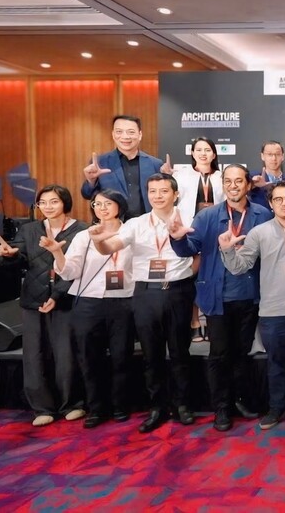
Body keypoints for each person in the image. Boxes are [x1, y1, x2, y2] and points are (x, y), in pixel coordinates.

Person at [89, 173, 196, 433]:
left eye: (163, 191)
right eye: (153, 191)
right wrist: (98, 240)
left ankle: (182, 405)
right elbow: (110, 247)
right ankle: (157, 407)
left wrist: (183, 276)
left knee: (180, 352)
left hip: (178, 292)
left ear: (175, 194)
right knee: (151, 354)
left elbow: (199, 254)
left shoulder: (190, 219)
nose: (157, 196)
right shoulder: (136, 224)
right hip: (146, 294)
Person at [169, 164, 273, 431]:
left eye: (239, 181)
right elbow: (189, 248)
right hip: (218, 297)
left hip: (250, 296)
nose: (233, 186)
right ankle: (221, 407)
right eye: (228, 181)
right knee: (219, 354)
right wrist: (177, 239)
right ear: (223, 184)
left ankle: (239, 400)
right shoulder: (207, 216)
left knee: (242, 352)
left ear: (248, 185)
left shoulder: (262, 214)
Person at [220, 180, 285, 430]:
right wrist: (227, 251)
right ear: (270, 204)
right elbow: (240, 267)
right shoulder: (260, 233)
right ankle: (276, 408)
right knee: (275, 364)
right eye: (278, 199)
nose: (284, 203)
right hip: (273, 312)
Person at [0, 185, 86, 426]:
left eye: (53, 201)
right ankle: (42, 408)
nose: (47, 206)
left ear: (65, 202)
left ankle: (72, 404)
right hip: (33, 299)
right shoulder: (29, 229)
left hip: (66, 299)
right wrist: (8, 255)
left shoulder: (81, 230)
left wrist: (57, 295)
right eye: (42, 202)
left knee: (66, 353)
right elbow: (20, 259)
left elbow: (80, 269)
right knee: (34, 355)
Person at [48, 189, 133, 428]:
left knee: (121, 356)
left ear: (120, 206)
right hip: (88, 301)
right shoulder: (84, 236)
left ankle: (120, 406)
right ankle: (96, 408)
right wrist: (57, 253)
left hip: (123, 301)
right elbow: (70, 271)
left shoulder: (131, 231)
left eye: (108, 203)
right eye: (97, 204)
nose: (102, 208)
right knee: (89, 357)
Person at [172, 136, 225, 343]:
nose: (203, 153)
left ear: (214, 154)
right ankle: (194, 322)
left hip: (216, 232)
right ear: (192, 153)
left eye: (207, 150)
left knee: (212, 276)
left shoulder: (222, 176)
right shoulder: (180, 175)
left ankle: (212, 320)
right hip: (190, 230)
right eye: (199, 150)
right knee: (191, 278)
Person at [81, 115, 170, 217]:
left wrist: (169, 178)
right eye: (119, 132)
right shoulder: (100, 162)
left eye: (131, 132)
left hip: (146, 223)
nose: (125, 136)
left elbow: (165, 196)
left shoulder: (155, 164)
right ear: (113, 134)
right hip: (113, 223)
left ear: (140, 135)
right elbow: (87, 195)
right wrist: (91, 181)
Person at [249, 140, 285, 205]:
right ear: (262, 156)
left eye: (277, 154)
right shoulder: (253, 179)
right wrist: (252, 185)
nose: (274, 158)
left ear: (282, 156)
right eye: (269, 154)